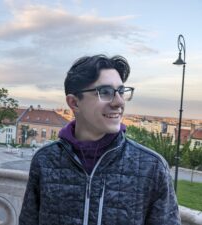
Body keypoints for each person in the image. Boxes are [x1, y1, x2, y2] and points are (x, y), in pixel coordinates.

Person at [19, 54, 181, 225]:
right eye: (105, 92)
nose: (119, 102)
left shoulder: (152, 168)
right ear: (74, 103)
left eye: (121, 91)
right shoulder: (45, 160)